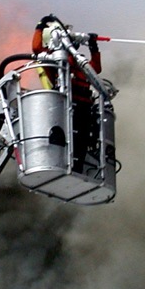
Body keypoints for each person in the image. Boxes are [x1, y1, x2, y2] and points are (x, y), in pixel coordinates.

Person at [31, 15, 103, 172]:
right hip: (69, 104)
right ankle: (65, 167)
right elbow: (36, 48)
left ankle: (77, 170)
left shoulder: (78, 61)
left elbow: (96, 69)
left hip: (85, 106)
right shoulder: (53, 59)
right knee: (70, 140)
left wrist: (93, 46)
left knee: (82, 142)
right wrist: (40, 26)